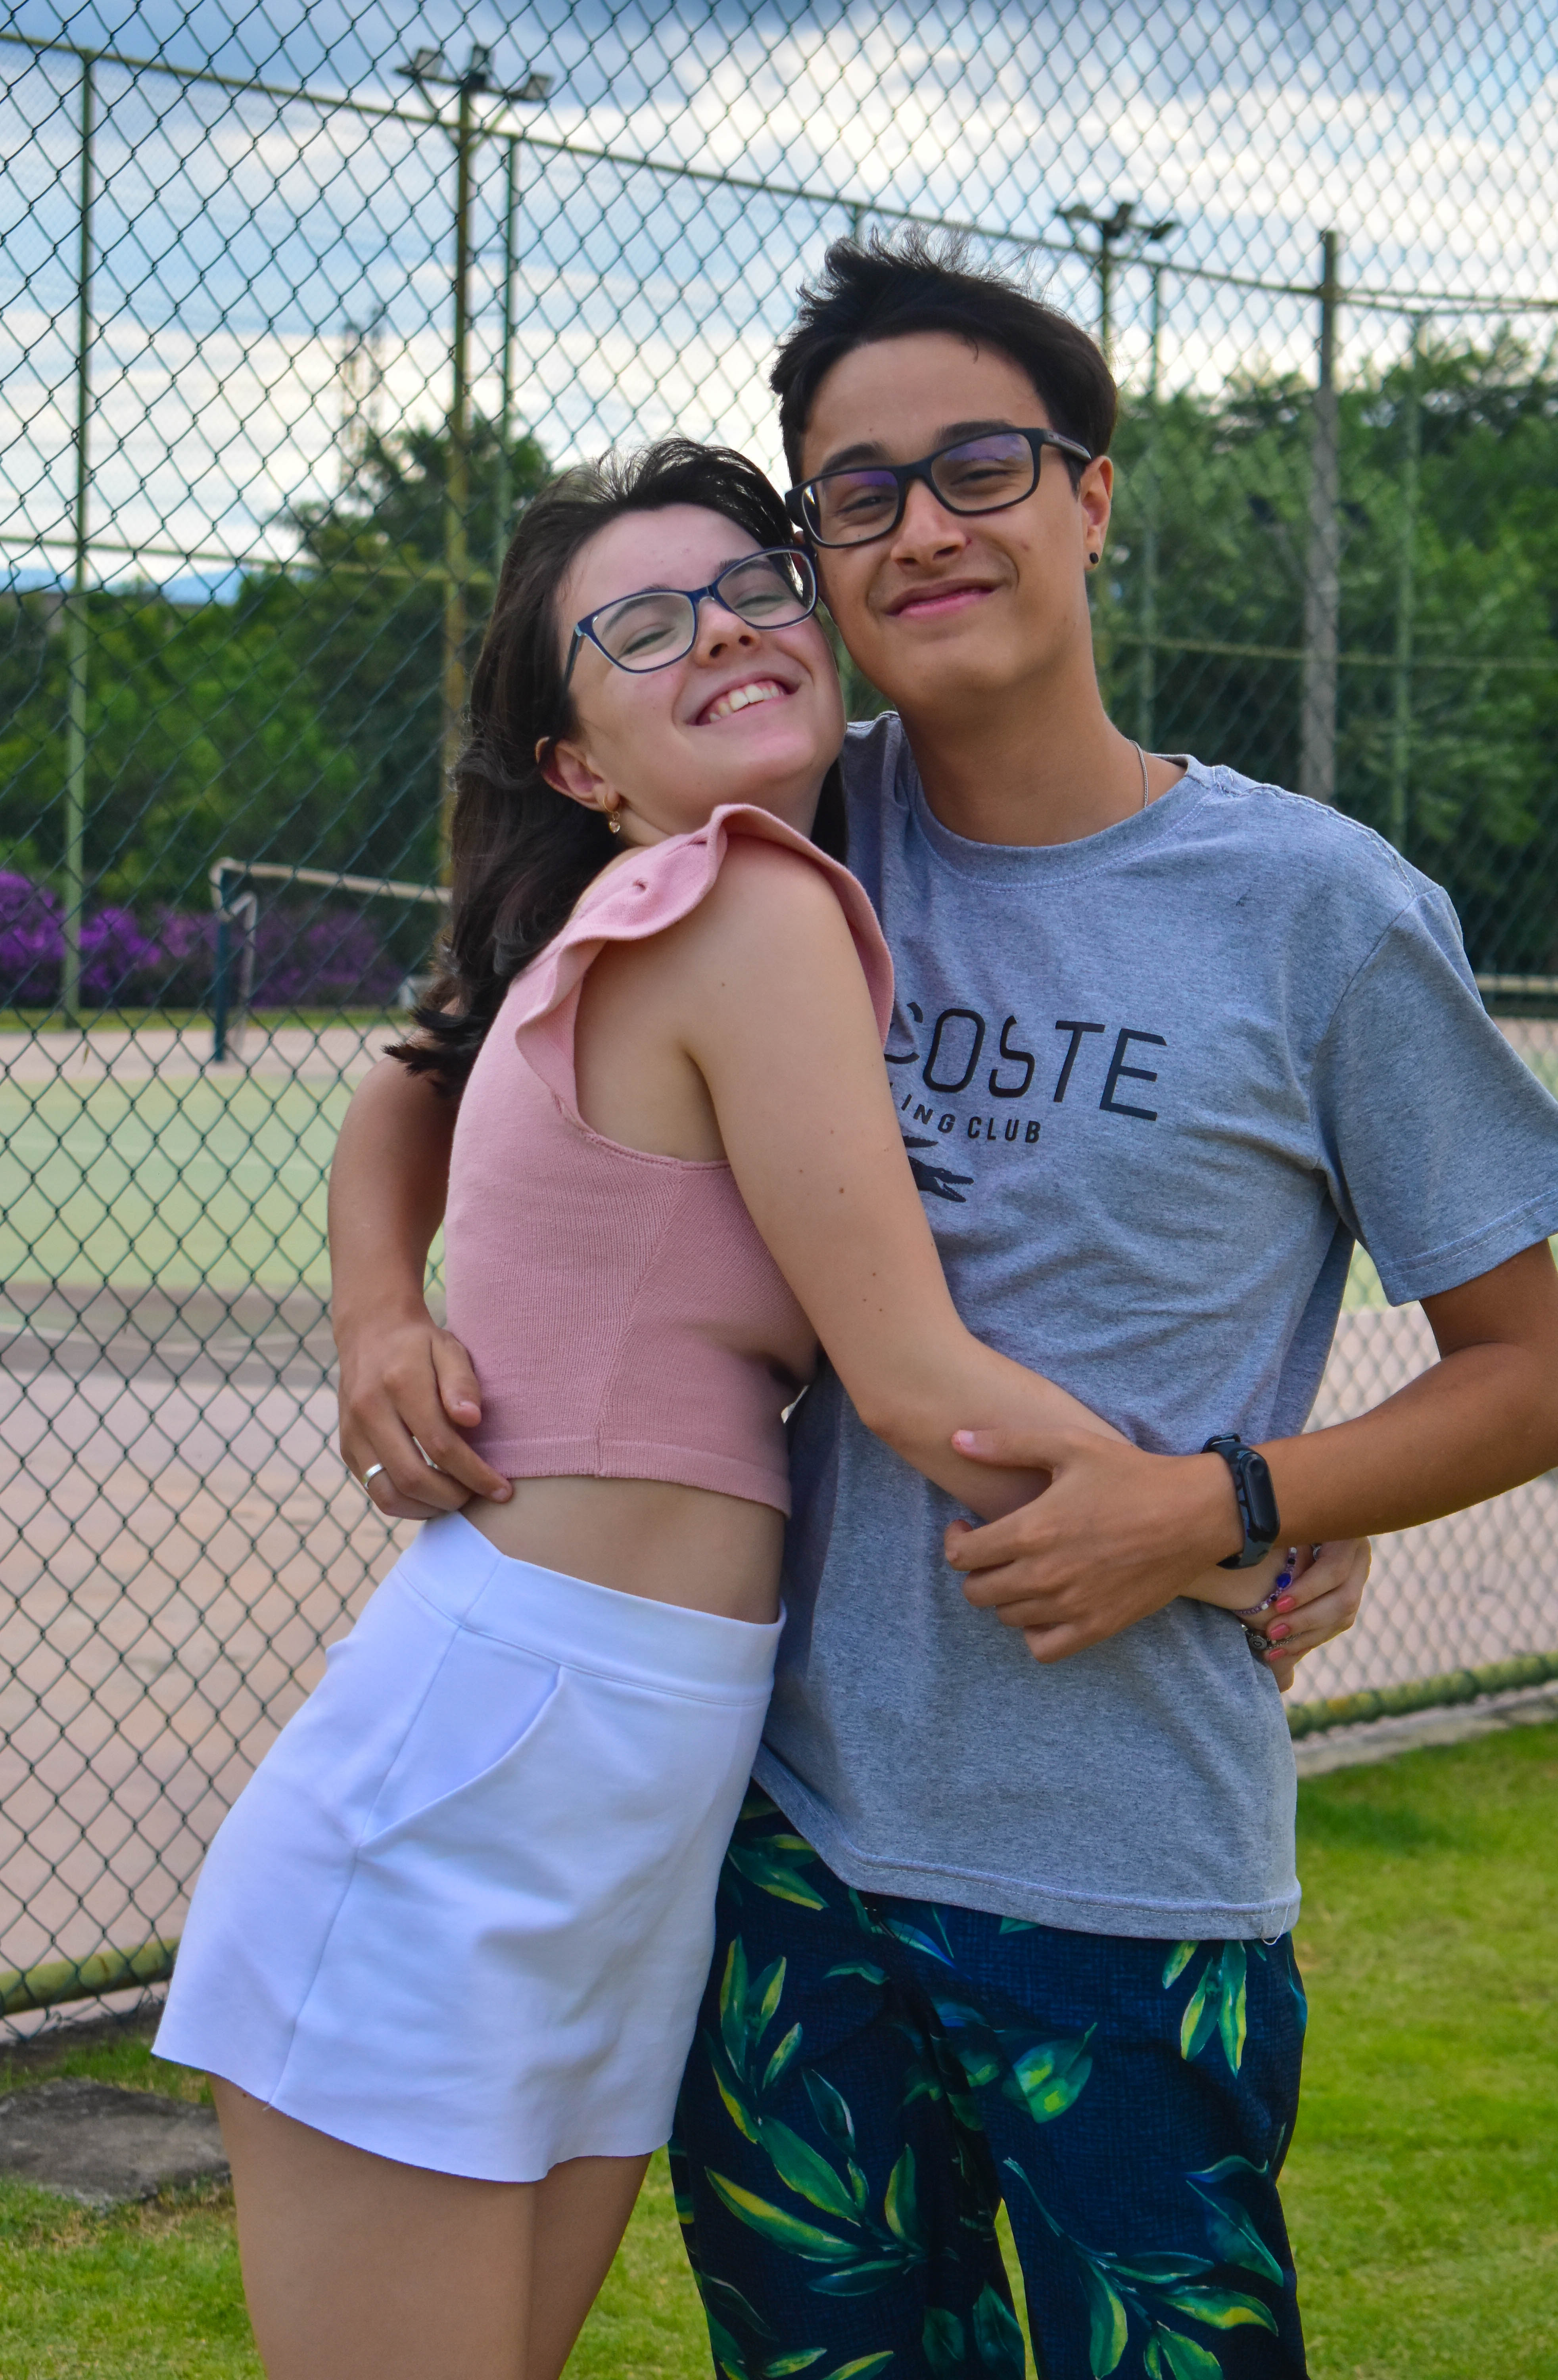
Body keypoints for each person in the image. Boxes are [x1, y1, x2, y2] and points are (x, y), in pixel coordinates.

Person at [328, 235, 1558, 2379]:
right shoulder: (776, 820)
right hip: (786, 1846)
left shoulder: (1320, 914)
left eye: (979, 467)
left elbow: (1528, 1365)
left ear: (1091, 498)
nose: (920, 528)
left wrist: (1243, 1499)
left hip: (1128, 1868)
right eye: (856, 494)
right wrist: (374, 1314)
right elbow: (435, 1060)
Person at [156, 440, 1303, 2380]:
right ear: (576, 765)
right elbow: (913, 1382)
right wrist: (1234, 1526)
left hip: (635, 1794)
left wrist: (378, 1300)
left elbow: (411, 1078)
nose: (721, 631)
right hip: (488, 1776)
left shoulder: (685, 896)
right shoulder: (744, 898)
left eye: (753, 588)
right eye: (641, 626)